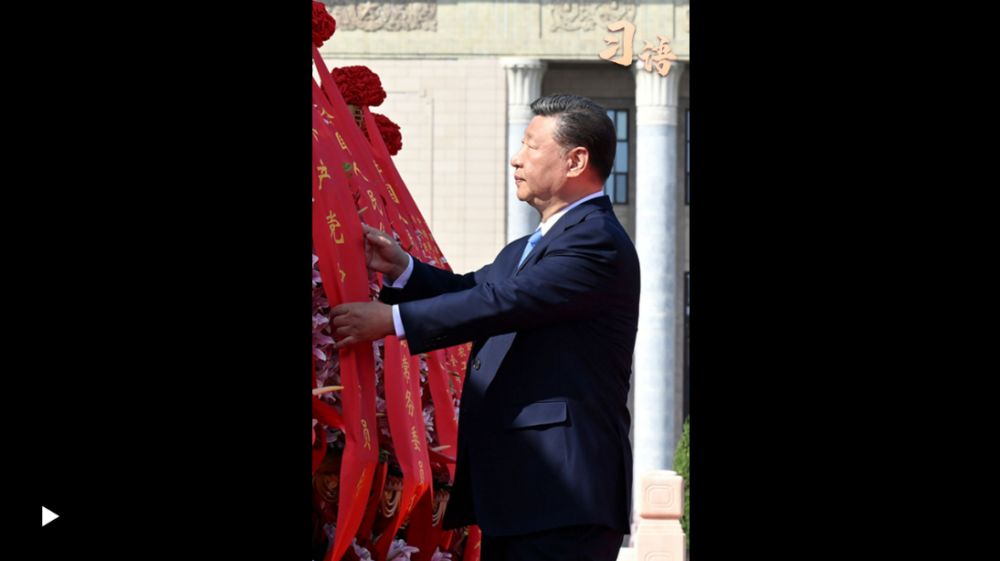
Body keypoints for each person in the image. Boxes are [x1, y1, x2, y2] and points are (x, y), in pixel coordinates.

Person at [331, 94, 640, 561]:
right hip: (520, 493)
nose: (516, 159)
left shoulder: (596, 241)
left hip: (563, 497)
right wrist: (402, 269)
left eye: (532, 146)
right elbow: (472, 289)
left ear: (576, 161)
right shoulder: (528, 248)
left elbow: (502, 302)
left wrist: (392, 321)